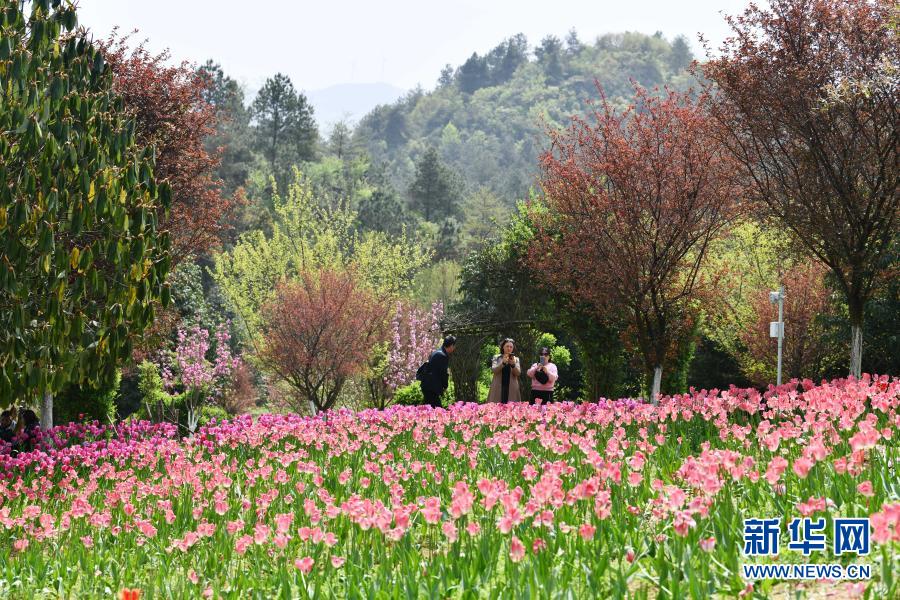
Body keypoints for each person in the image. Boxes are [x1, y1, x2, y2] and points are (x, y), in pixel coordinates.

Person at [421, 335, 456, 408]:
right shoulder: (442, 355)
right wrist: (445, 386)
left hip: (427, 386)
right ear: (451, 345)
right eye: (454, 346)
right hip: (431, 388)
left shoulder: (436, 352)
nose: (454, 348)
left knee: (429, 411)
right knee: (438, 411)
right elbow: (443, 373)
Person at [487, 338, 521, 404]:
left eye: (511, 347)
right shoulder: (496, 357)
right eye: (507, 346)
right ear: (503, 347)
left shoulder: (516, 359)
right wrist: (502, 363)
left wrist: (513, 365)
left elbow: (518, 373)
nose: (509, 348)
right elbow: (494, 370)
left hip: (511, 388)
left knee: (511, 409)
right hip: (498, 387)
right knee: (496, 408)